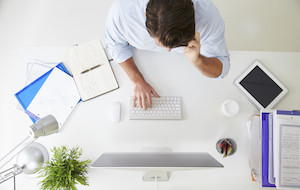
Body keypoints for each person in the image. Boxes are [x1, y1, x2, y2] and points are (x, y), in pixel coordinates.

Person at [105, 0, 230, 110]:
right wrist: (137, 80)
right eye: (160, 44)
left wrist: (198, 61)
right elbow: (115, 45)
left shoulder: (208, 17)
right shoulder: (122, 10)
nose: (168, 50)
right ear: (146, 15)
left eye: (176, 46)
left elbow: (222, 68)